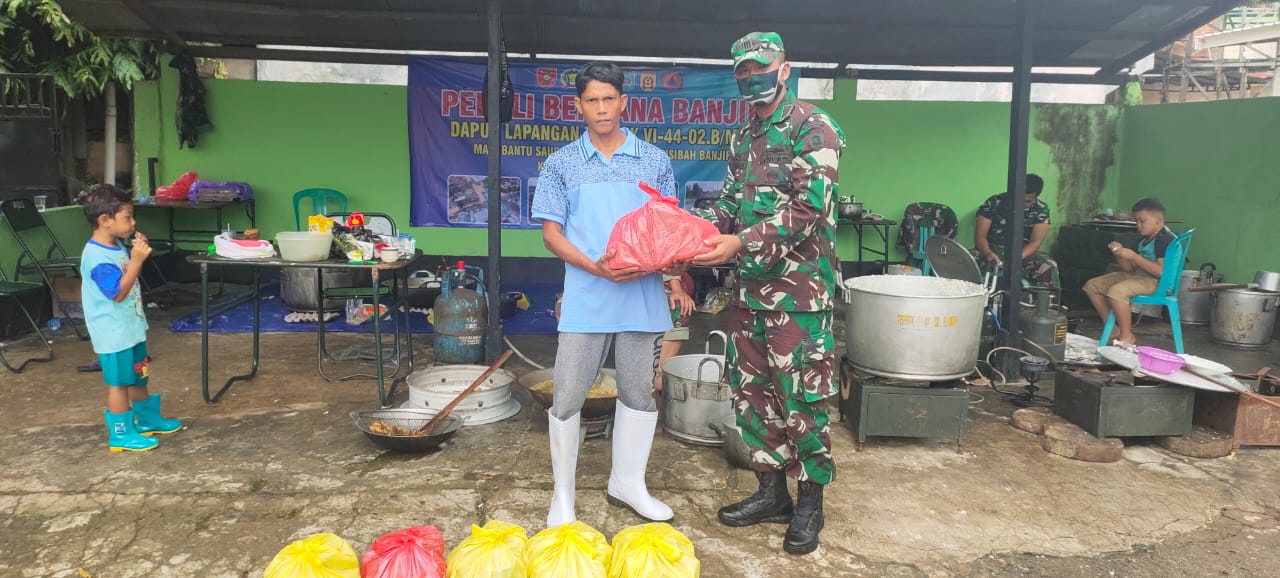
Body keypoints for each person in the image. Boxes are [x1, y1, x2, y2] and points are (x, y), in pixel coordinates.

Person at [689, 32, 844, 556]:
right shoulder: (743, 137)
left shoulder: (813, 127)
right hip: (749, 296)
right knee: (753, 398)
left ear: (784, 68)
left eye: (760, 67)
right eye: (742, 71)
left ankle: (809, 504)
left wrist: (738, 242)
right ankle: (770, 492)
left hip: (799, 297)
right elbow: (730, 203)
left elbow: (808, 210)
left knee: (803, 399)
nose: (751, 77)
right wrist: (694, 235)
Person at [530, 62, 676, 528]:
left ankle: (627, 484)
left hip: (642, 294)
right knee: (568, 396)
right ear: (578, 106)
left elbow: (667, 224)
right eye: (591, 100)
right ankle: (563, 497)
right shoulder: (561, 163)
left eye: (608, 98)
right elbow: (551, 234)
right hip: (587, 296)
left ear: (623, 102)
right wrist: (594, 266)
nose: (601, 108)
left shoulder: (654, 160)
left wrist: (670, 267)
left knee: (638, 393)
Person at [80, 184, 183, 452]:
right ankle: (121, 434)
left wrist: (135, 256)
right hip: (113, 334)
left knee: (139, 376)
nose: (133, 222)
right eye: (127, 217)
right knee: (120, 383)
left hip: (130, 328)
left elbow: (125, 275)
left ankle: (147, 420)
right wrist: (136, 262)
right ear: (105, 220)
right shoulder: (96, 256)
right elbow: (117, 293)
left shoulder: (116, 247)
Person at [1084, 198, 1175, 347]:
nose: (1138, 225)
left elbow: (1160, 272)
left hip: (1158, 283)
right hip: (1139, 277)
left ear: (1158, 219)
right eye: (1136, 221)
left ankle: (1127, 336)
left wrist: (1134, 256)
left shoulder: (1164, 239)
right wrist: (1119, 254)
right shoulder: (1144, 239)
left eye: (1142, 221)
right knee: (1092, 286)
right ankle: (1113, 330)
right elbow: (1129, 269)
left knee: (1117, 292)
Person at [974, 173, 1058, 287]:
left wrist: (1017, 258)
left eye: (1027, 201)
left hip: (1023, 253)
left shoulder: (1041, 209)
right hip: (991, 250)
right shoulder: (994, 202)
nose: (1021, 204)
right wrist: (988, 253)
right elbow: (980, 236)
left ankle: (1040, 303)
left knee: (1048, 266)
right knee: (964, 261)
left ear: (1035, 198)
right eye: (1018, 199)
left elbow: (1035, 242)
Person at [654, 273, 696, 396]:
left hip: (658, 279)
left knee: (678, 307)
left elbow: (668, 258)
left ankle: (659, 376)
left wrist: (676, 288)